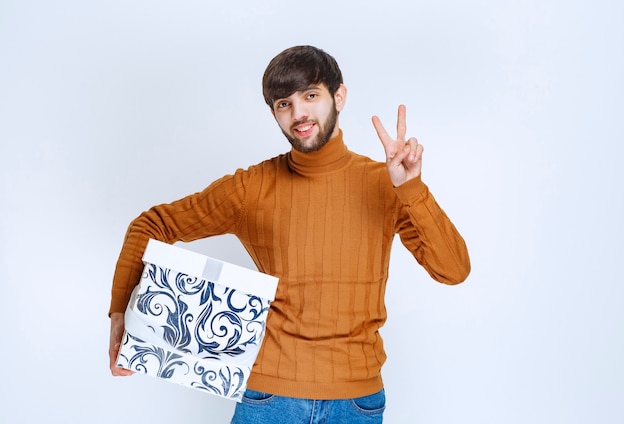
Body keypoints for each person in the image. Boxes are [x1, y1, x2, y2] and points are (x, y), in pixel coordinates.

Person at [108, 45, 470, 423]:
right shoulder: (251, 188)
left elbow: (453, 269)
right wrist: (121, 312)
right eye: (284, 103)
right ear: (274, 112)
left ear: (339, 96)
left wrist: (411, 189)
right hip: (267, 400)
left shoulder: (385, 184)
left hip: (358, 403)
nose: (299, 114)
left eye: (310, 95)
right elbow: (150, 225)